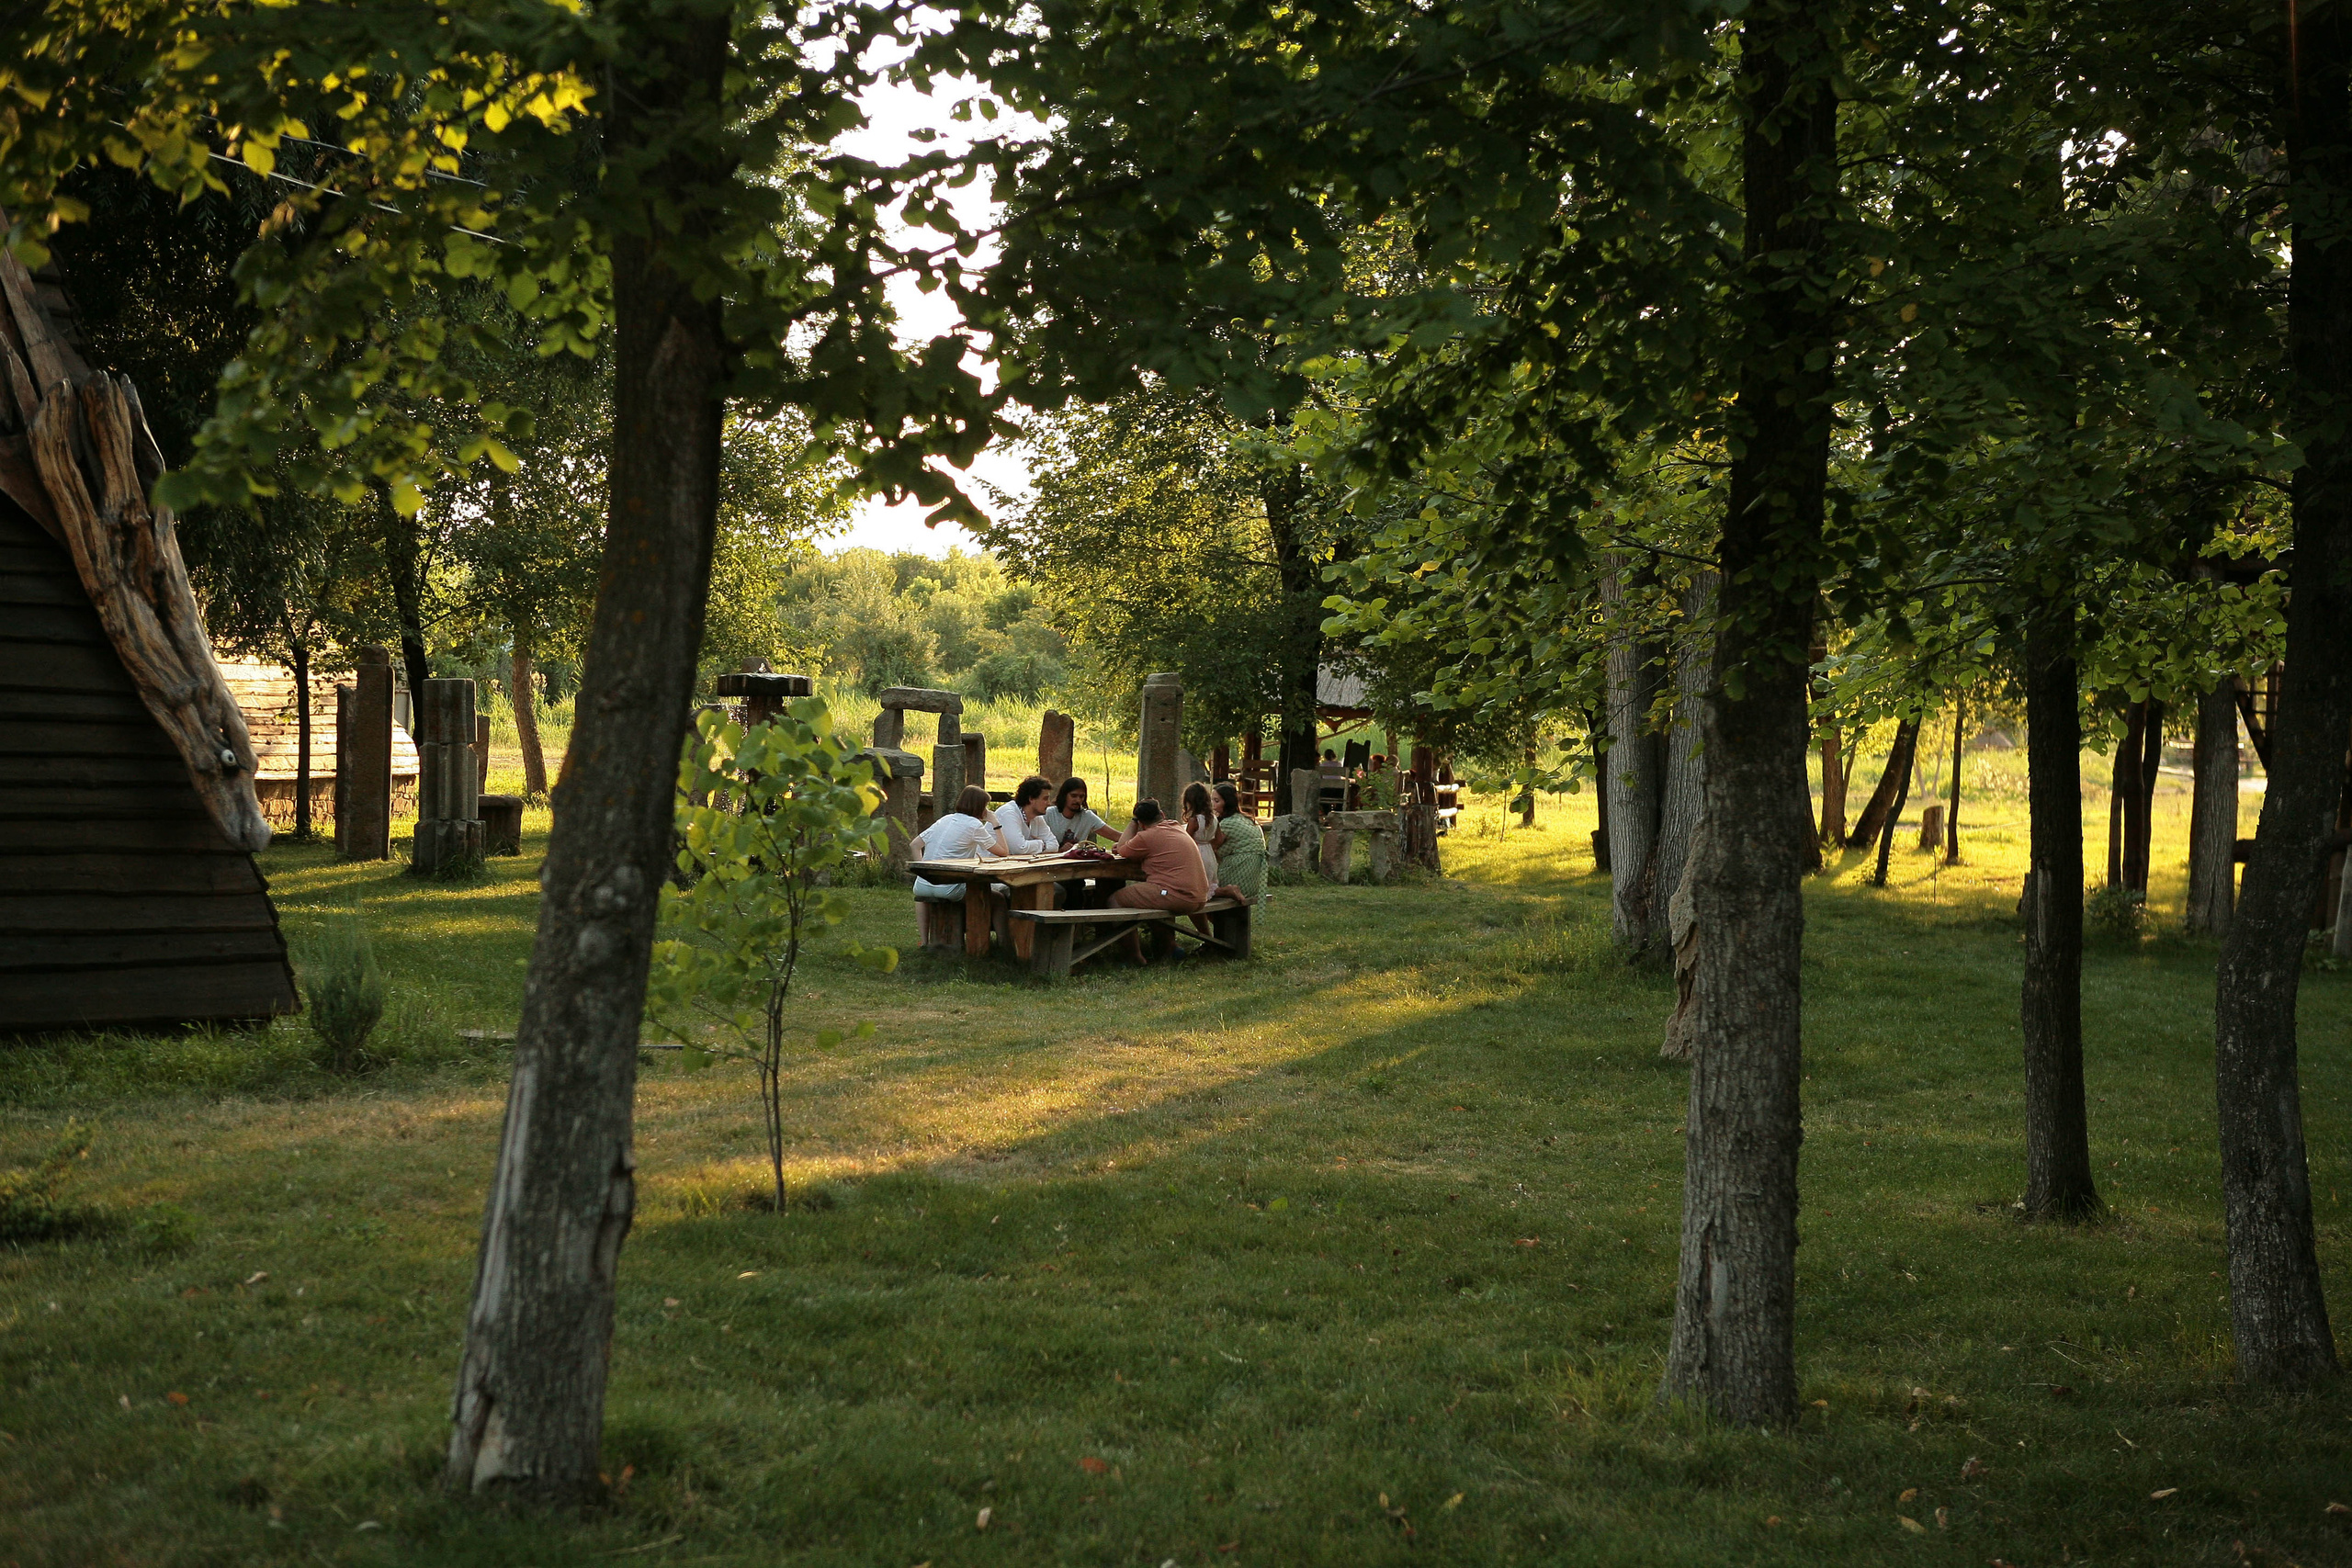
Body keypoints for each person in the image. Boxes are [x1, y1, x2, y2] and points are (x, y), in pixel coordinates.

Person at [1109, 798, 1208, 961]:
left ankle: (1134, 956)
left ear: (1141, 823)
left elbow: (1121, 849)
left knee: (1115, 900)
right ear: (1161, 814)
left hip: (1178, 895)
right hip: (1199, 895)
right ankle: (1170, 949)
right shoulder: (1176, 827)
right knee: (1153, 896)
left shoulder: (1147, 836)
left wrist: (1132, 823)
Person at [909, 784, 1008, 942]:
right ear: (980, 807)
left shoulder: (945, 820)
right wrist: (995, 823)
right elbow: (1003, 852)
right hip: (949, 888)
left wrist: (924, 872)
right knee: (998, 898)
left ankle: (924, 941)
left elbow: (915, 844)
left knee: (925, 896)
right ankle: (1003, 942)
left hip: (922, 885)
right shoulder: (974, 826)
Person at [1211, 781, 1266, 904]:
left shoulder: (1227, 824)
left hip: (1237, 878)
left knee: (1196, 891)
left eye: (1217, 801)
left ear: (1227, 802)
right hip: (1254, 880)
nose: (1213, 805)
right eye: (1212, 800)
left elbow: (1212, 848)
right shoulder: (1247, 820)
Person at [1041, 777, 1118, 849]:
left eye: (1081, 797)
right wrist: (1059, 850)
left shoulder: (1087, 816)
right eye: (1073, 796)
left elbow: (1116, 836)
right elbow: (1038, 845)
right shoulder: (1048, 814)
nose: (1078, 800)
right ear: (1064, 795)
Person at [993, 774, 1057, 856]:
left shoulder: (1037, 818)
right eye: (1045, 799)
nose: (1049, 803)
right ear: (1031, 799)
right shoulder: (1008, 813)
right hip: (988, 865)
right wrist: (1042, 844)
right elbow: (1019, 848)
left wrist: (1030, 846)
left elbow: (1055, 845)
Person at [1180, 780, 1222, 891]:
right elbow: (1219, 838)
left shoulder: (1195, 821)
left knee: (1196, 884)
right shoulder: (1214, 819)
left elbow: (1186, 841)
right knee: (1208, 884)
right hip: (1209, 853)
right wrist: (1209, 846)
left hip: (1196, 853)